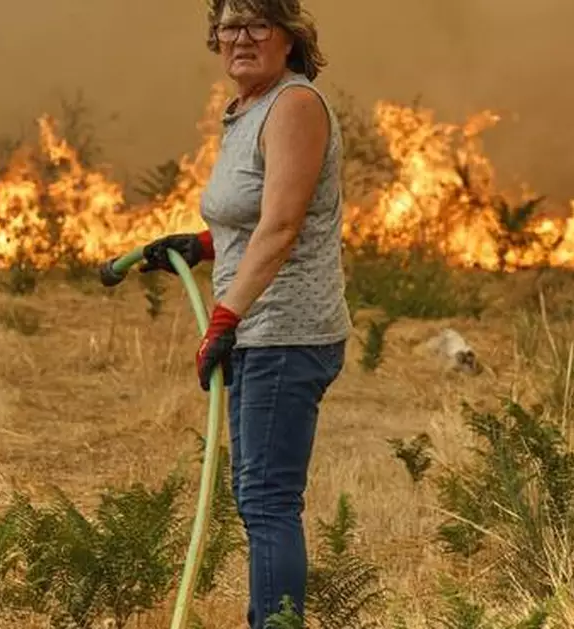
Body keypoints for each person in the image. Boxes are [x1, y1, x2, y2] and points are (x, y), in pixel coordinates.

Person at [137, 0, 351, 626]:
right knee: (259, 495)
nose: (241, 37)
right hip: (260, 329)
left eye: (259, 23)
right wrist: (200, 246)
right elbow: (257, 214)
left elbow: (284, 225)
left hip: (284, 331)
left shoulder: (295, 106)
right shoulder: (245, 111)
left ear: (290, 37)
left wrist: (224, 316)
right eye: (230, 24)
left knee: (266, 499)